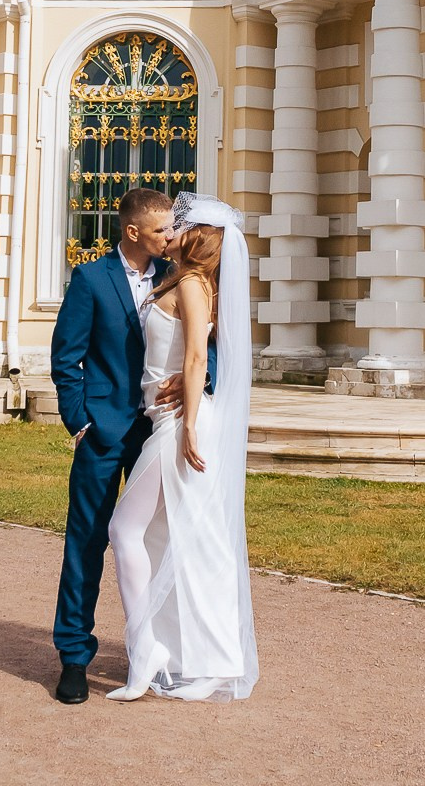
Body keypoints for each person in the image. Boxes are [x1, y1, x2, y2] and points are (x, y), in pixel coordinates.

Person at [103, 193, 256, 702]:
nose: (170, 233)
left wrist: (188, 424)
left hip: (177, 424)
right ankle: (188, 653)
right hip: (168, 418)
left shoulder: (191, 282)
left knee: (127, 530)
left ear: (196, 237)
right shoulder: (184, 279)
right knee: (172, 538)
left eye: (178, 227)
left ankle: (147, 648)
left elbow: (195, 358)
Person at [50, 187, 191, 703]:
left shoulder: (178, 277)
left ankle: (154, 651)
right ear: (132, 231)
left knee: (160, 541)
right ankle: (73, 656)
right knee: (86, 541)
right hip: (103, 431)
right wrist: (80, 422)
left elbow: (207, 343)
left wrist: (199, 380)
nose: (171, 237)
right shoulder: (90, 279)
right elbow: (66, 358)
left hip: (159, 429)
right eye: (161, 229)